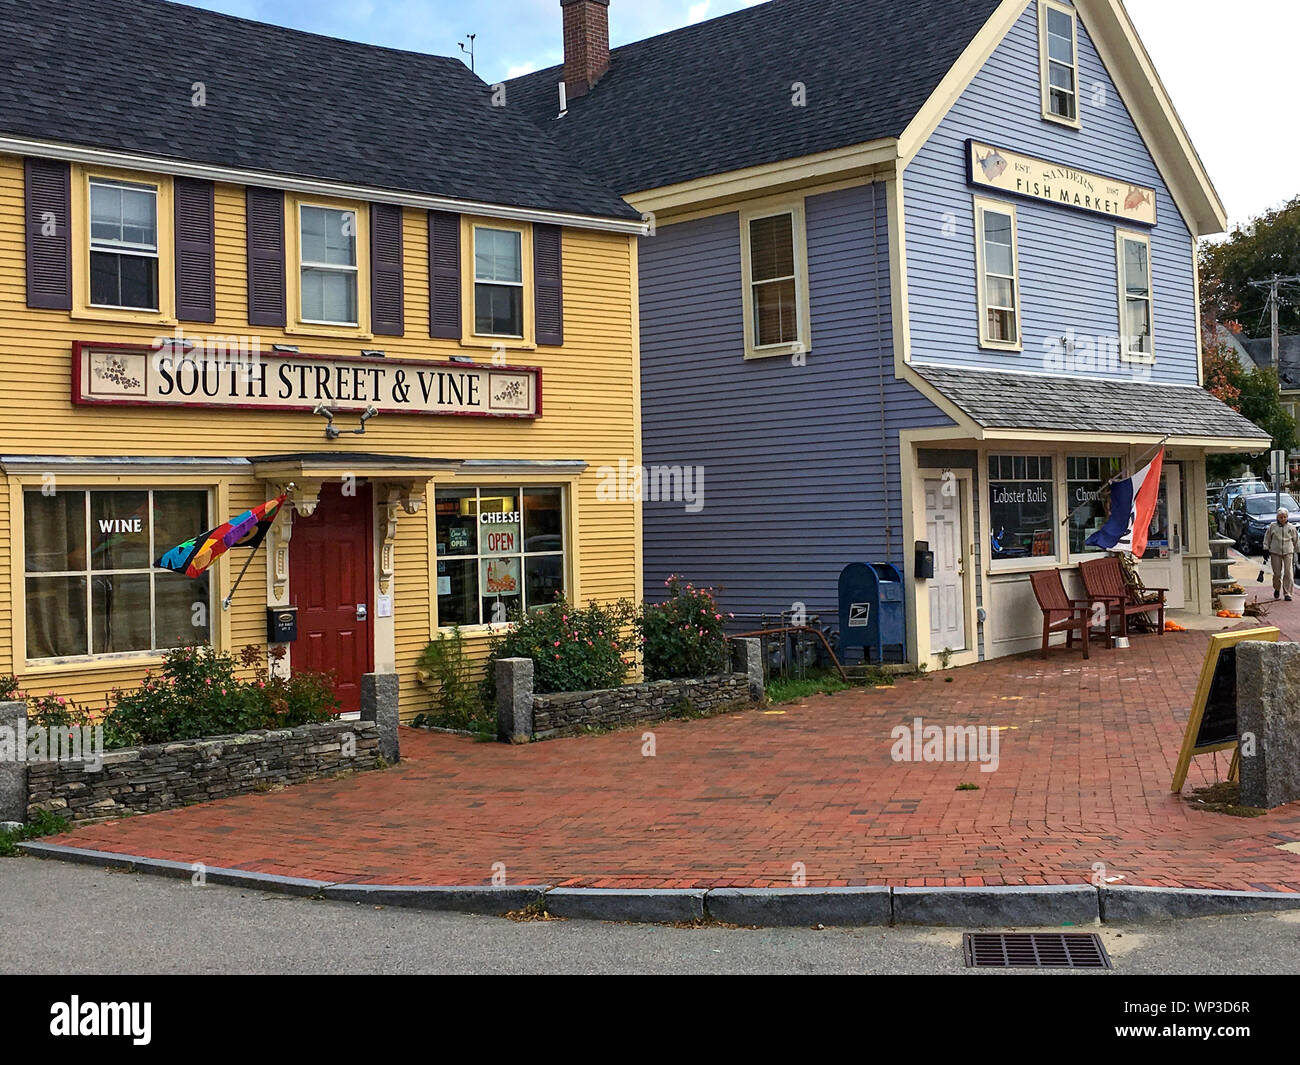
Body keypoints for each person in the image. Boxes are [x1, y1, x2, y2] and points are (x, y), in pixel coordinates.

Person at [1263, 508, 1299, 601]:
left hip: (1288, 552)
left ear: (1287, 517)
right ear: (1277, 517)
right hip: (1275, 552)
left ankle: (1287, 593)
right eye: (1281, 517)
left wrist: (1298, 551)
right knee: (1277, 574)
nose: (1283, 519)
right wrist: (1266, 549)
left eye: (1285, 517)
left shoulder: (1291, 528)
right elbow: (1267, 538)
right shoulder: (1272, 526)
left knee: (1288, 573)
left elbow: (1296, 540)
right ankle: (1277, 588)